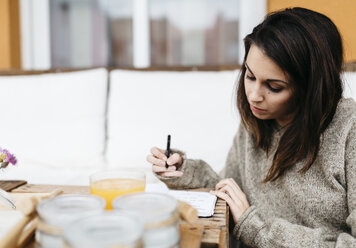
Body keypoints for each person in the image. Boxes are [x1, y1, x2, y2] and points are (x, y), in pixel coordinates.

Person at [146, 7, 356, 247]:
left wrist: (258, 230)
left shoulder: (350, 133)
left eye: (274, 86)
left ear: (312, 87)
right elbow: (228, 192)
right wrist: (183, 170)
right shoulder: (257, 122)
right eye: (250, 75)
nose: (254, 96)